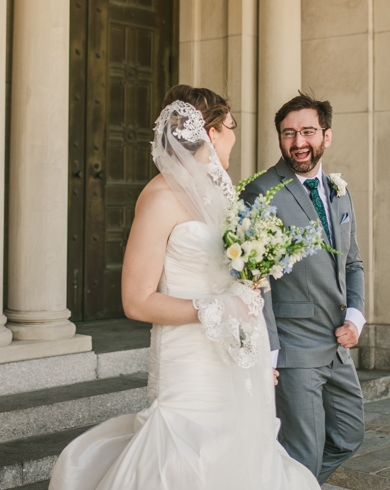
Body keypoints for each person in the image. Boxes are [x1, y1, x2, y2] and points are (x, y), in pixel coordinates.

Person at [48, 85, 319, 490]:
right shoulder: (159, 197)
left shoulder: (221, 196)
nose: (234, 135)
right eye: (230, 126)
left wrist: (251, 339)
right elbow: (136, 301)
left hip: (232, 359)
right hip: (189, 367)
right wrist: (217, 309)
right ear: (211, 134)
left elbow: (234, 282)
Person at [241, 92, 366, 484]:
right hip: (294, 350)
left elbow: (353, 263)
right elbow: (256, 281)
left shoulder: (339, 190)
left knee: (349, 436)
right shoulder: (263, 191)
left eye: (308, 131)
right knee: (304, 454)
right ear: (279, 138)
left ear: (326, 136)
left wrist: (356, 316)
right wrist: (270, 353)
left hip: (338, 345)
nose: (298, 143)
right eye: (288, 133)